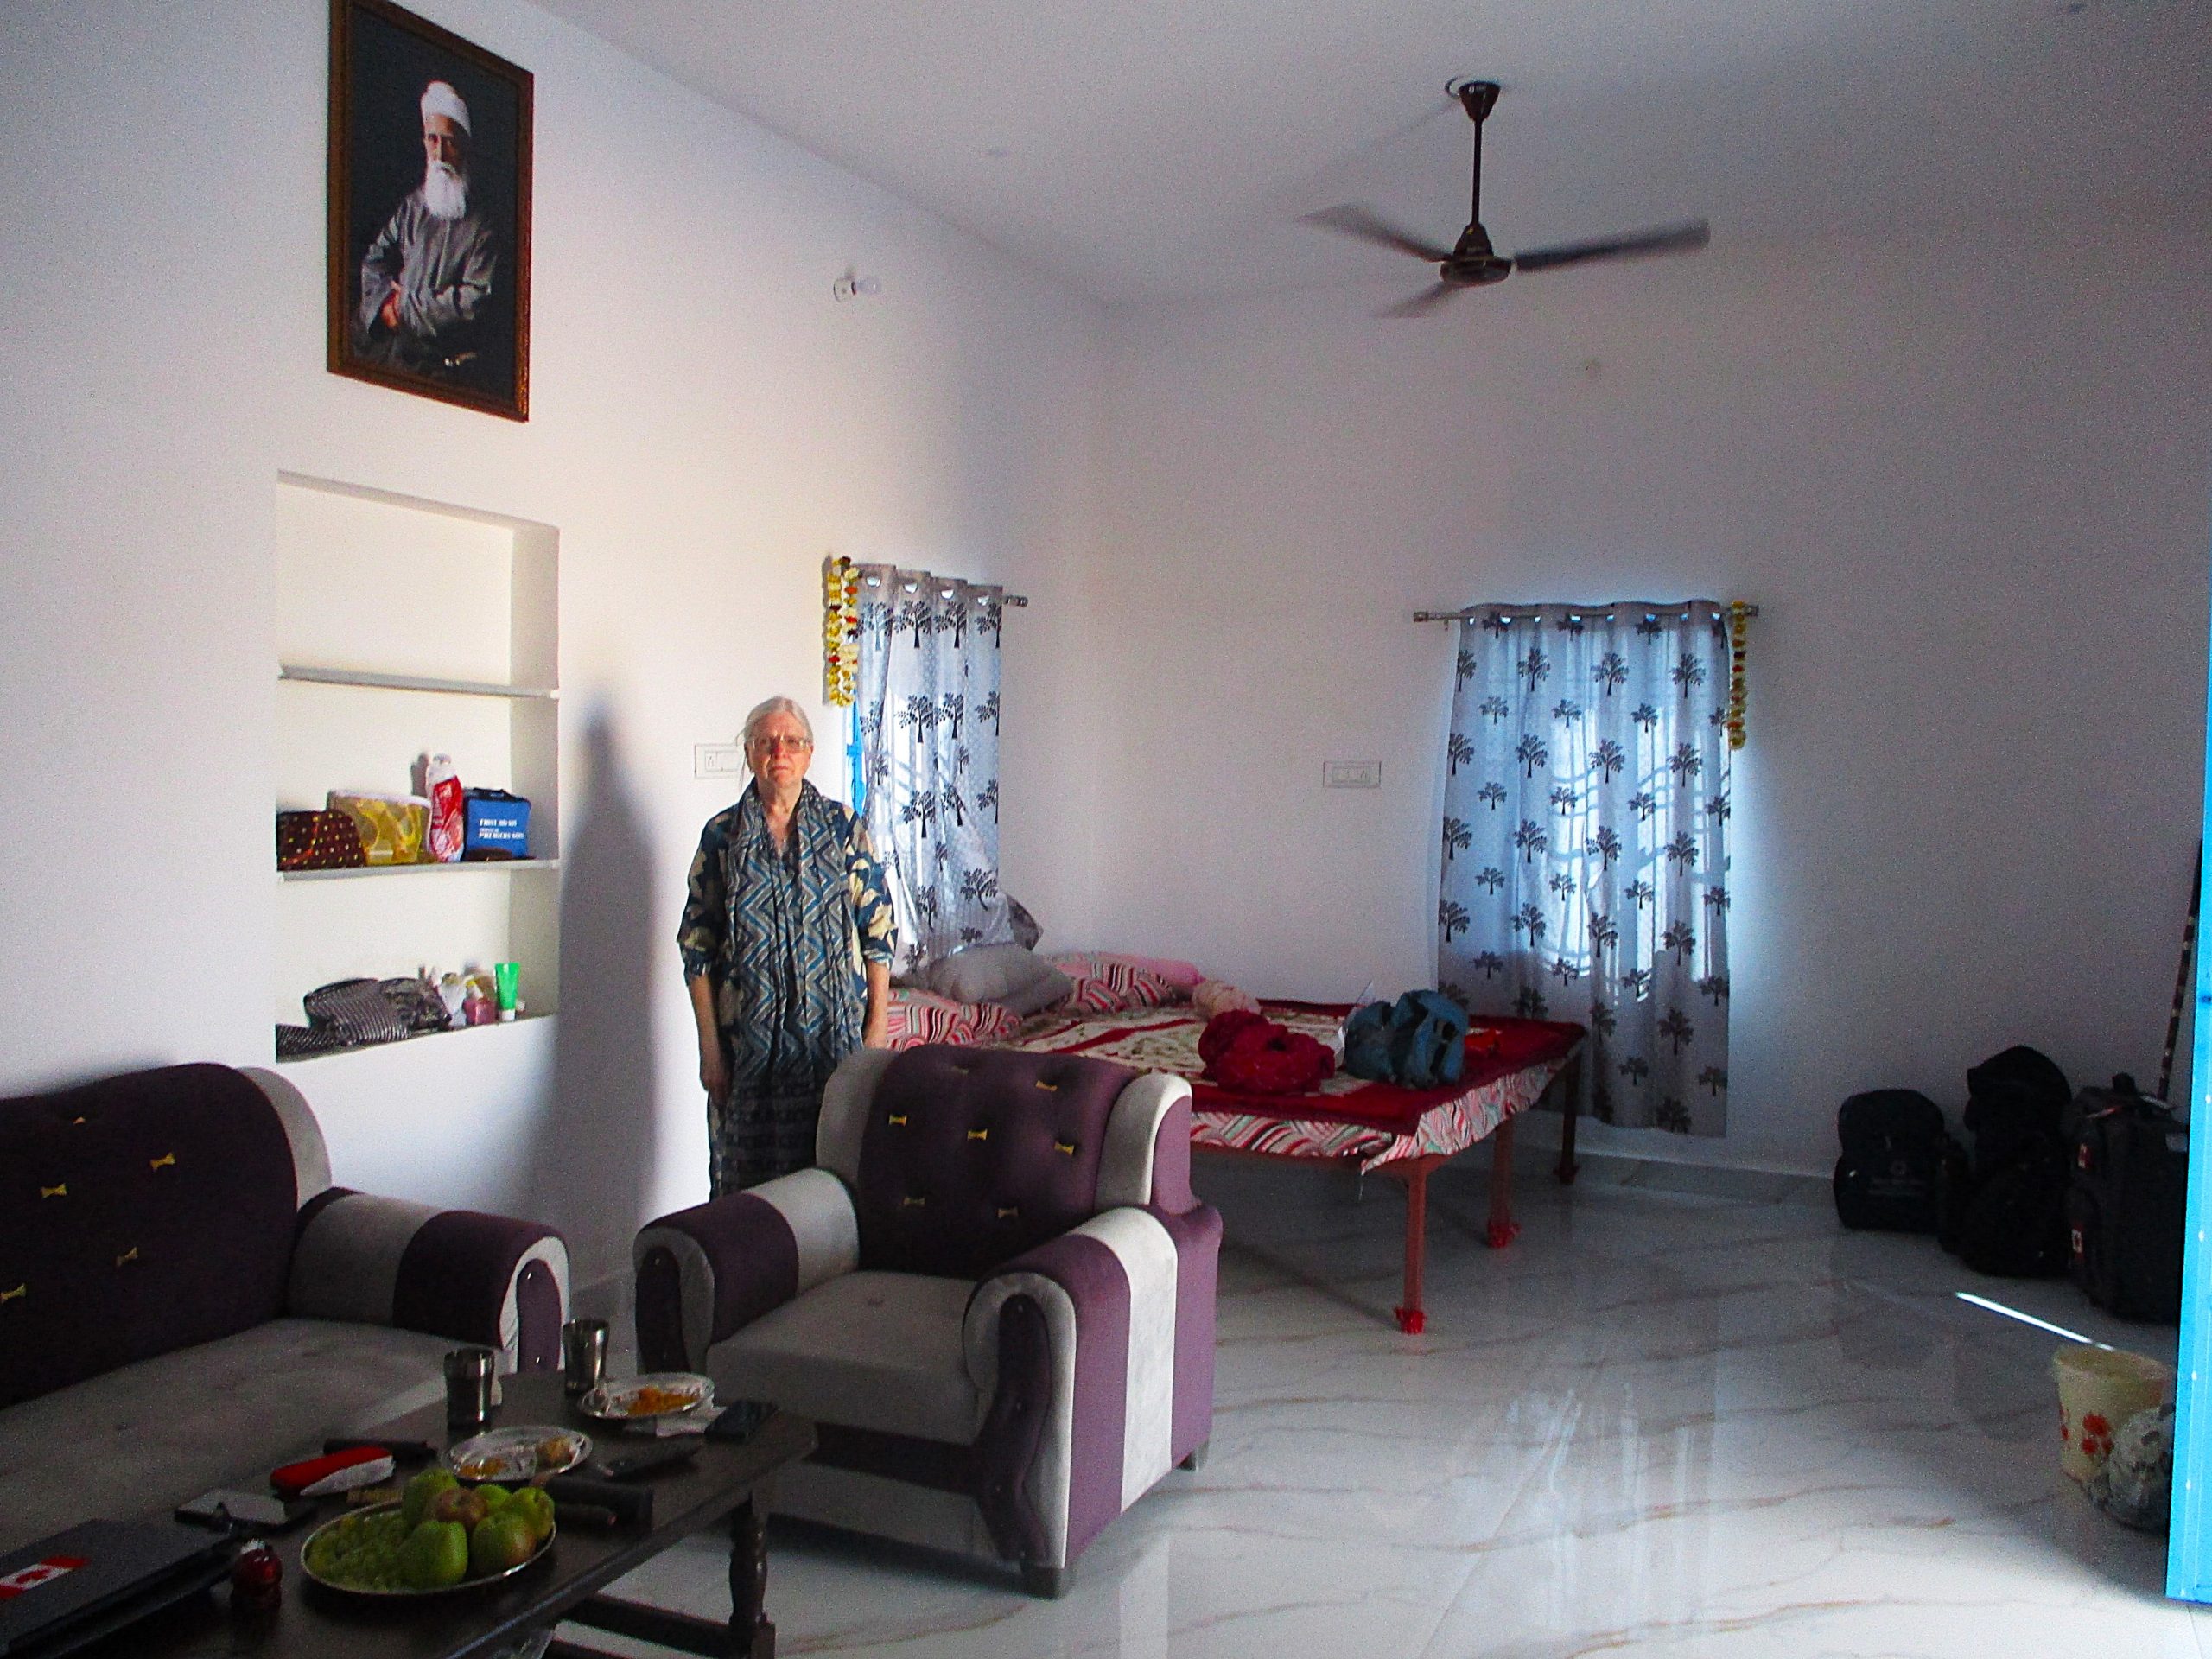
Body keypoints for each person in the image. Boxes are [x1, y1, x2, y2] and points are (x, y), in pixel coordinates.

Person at [680, 696, 896, 1196]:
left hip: (831, 1041)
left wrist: (877, 1024)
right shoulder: (722, 836)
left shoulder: (843, 828)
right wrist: (710, 1048)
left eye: (792, 741)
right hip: (747, 1048)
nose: (780, 751)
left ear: (809, 753)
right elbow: (696, 948)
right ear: (750, 752)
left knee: (835, 1178)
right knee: (747, 1192)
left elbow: (878, 931)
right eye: (767, 741)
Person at [353, 79, 499, 380]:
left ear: (465, 147)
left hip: (439, 366)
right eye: (432, 139)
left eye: (450, 141)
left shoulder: (482, 225)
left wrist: (404, 308)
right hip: (389, 350)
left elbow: (473, 301)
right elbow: (374, 261)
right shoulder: (413, 206)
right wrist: (385, 306)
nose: (440, 153)